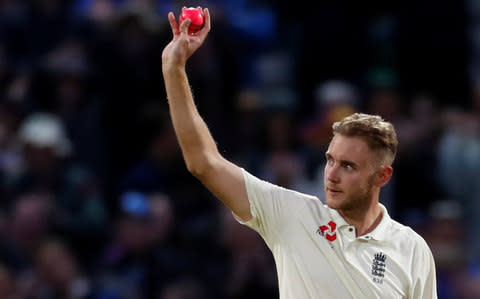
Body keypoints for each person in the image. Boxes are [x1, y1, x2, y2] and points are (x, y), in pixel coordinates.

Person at [161, 7, 437, 298]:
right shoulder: (293, 215)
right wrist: (173, 69)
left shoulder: (412, 249)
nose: (331, 175)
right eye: (330, 160)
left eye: (348, 166)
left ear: (382, 176)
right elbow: (204, 163)